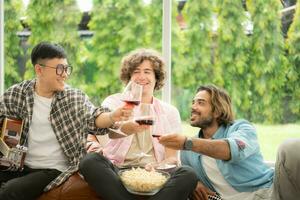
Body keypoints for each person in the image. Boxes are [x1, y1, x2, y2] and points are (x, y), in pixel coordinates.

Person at [0, 42, 133, 200]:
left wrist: (112, 117)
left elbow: (94, 117)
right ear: (39, 70)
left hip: (53, 169)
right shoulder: (17, 94)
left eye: (66, 68)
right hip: (17, 165)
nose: (65, 74)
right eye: (59, 69)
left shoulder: (73, 98)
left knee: (9, 191)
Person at [79, 48, 198, 200]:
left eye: (147, 71)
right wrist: (126, 128)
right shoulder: (114, 102)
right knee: (89, 161)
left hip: (154, 172)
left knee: (188, 174)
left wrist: (157, 167)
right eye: (136, 71)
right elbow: (107, 133)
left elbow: (171, 158)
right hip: (118, 169)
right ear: (129, 77)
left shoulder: (170, 112)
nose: (142, 76)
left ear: (156, 78)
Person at [158, 84, 300, 200]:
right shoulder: (187, 152)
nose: (193, 107)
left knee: (290, 147)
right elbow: (183, 173)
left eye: (201, 103)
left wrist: (187, 143)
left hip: (270, 192)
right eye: (193, 102)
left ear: (217, 111)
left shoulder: (241, 128)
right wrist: (195, 183)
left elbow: (232, 150)